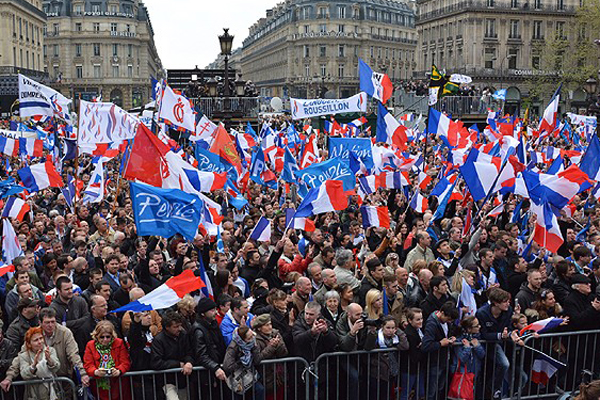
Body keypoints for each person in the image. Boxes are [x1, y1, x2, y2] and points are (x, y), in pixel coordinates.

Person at [150, 311, 193, 400]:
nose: (179, 329)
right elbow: (156, 362)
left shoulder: (183, 335)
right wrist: (178, 364)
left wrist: (189, 362)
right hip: (167, 380)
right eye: (175, 327)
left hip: (183, 380)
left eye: (180, 325)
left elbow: (189, 352)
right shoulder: (159, 340)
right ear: (167, 327)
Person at [83, 320, 131, 400]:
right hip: (98, 387)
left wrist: (118, 370)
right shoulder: (90, 345)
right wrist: (96, 372)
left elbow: (125, 362)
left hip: (118, 386)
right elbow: (88, 365)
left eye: (108, 337)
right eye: (102, 337)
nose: (105, 339)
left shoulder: (119, 343)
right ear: (96, 336)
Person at [364, 316, 409, 399]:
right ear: (382, 327)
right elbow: (368, 347)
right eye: (388, 328)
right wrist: (372, 333)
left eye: (393, 328)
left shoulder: (395, 338)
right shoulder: (377, 336)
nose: (390, 330)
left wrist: (398, 331)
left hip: (391, 372)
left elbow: (405, 346)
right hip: (377, 372)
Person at [421, 301, 459, 400]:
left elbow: (448, 334)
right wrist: (440, 344)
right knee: (432, 391)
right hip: (434, 362)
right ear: (441, 312)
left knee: (440, 388)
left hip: (444, 360)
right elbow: (426, 345)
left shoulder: (446, 322)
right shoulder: (432, 324)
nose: (449, 321)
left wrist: (452, 338)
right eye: (448, 319)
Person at [190, 298, 227, 385]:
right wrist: (215, 368)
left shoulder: (214, 325)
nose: (215, 312)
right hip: (207, 376)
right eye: (211, 310)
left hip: (218, 369)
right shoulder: (198, 330)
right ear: (203, 313)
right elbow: (201, 355)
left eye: (215, 309)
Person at [17, 326, 61, 400]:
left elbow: (57, 367)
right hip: (34, 393)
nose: (40, 342)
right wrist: (33, 366)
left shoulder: (50, 350)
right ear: (29, 344)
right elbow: (24, 374)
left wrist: (49, 359)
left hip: (51, 391)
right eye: (36, 340)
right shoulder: (24, 356)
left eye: (41, 338)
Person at [223, 325, 264, 399]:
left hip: (250, 376)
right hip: (237, 379)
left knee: (260, 390)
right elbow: (227, 366)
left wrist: (255, 349)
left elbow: (257, 360)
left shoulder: (253, 343)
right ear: (243, 340)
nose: (252, 339)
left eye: (252, 335)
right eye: (249, 338)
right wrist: (239, 362)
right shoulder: (233, 347)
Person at [253, 314, 288, 399]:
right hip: (265, 377)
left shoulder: (276, 333)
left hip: (279, 375)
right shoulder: (255, 339)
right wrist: (271, 347)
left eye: (270, 324)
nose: (270, 327)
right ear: (259, 328)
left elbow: (284, 353)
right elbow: (258, 358)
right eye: (266, 325)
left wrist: (278, 345)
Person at [453, 316, 486, 399]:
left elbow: (482, 355)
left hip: (475, 372)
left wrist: (477, 346)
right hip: (463, 373)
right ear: (469, 329)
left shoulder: (478, 338)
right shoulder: (459, 340)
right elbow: (462, 358)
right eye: (476, 326)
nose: (479, 327)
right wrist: (467, 348)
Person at [400, 308, 425, 400]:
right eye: (418, 319)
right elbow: (414, 355)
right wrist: (423, 347)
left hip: (418, 368)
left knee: (420, 393)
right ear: (410, 320)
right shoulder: (410, 334)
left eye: (421, 318)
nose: (421, 321)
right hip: (409, 369)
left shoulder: (419, 330)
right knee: (406, 393)